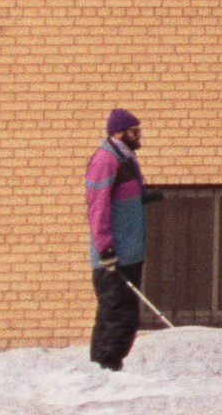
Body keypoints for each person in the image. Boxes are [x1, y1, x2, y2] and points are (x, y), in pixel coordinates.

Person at [85, 108, 156, 371]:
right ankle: (107, 368)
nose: (139, 136)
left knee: (115, 314)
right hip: (115, 254)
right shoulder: (106, 160)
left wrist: (143, 198)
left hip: (129, 251)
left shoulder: (124, 158)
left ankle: (102, 368)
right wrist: (105, 248)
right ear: (118, 132)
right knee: (119, 315)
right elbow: (97, 207)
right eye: (134, 131)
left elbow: (118, 198)